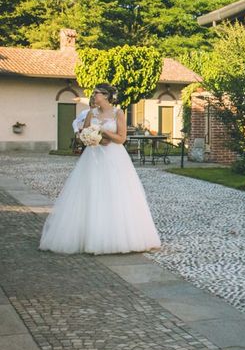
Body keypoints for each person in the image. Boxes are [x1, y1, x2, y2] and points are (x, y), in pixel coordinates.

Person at [40, 83, 161, 254]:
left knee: (115, 194)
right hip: (93, 156)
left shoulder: (118, 113)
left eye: (96, 93)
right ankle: (88, 235)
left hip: (113, 157)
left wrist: (103, 131)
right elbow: (84, 134)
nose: (93, 96)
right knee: (90, 192)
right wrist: (89, 137)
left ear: (105, 95)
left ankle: (116, 237)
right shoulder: (91, 113)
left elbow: (121, 139)